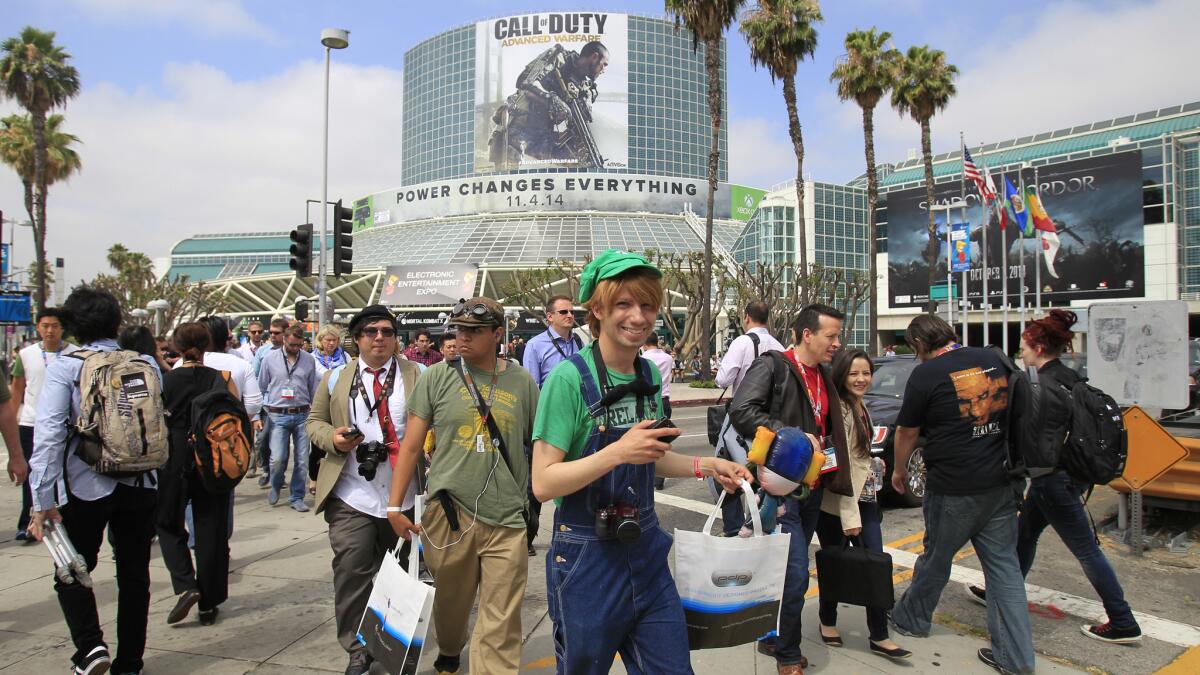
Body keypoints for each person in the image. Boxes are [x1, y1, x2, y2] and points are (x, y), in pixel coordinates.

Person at [531, 251, 751, 674]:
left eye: (647, 305)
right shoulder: (569, 380)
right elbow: (543, 482)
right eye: (623, 305)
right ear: (596, 310)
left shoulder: (648, 375)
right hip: (586, 558)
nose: (638, 316)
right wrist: (616, 451)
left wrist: (707, 465)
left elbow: (652, 457)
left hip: (647, 551)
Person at [967, 310, 1142, 645]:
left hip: (1052, 480)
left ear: (1037, 345)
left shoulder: (1040, 385)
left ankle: (1122, 619)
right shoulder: (1071, 379)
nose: (1022, 353)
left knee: (1086, 550)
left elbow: (1035, 440)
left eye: (1024, 346)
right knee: (1025, 534)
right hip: (1070, 476)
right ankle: (1000, 591)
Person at [387, 297, 540, 675]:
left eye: (474, 331)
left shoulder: (521, 381)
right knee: (452, 605)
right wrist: (395, 507)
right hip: (449, 515)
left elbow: (541, 442)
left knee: (501, 616)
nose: (463, 338)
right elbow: (411, 445)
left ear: (498, 335)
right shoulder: (438, 376)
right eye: (459, 330)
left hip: (507, 516)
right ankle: (451, 648)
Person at [888, 314, 1035, 675]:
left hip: (953, 487)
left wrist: (899, 469)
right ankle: (1017, 660)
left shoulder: (926, 373)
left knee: (936, 557)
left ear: (920, 345)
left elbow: (907, 432)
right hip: (1001, 483)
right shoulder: (993, 358)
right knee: (1005, 571)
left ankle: (911, 620)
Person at [27, 287, 161, 675]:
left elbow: (50, 434)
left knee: (71, 567)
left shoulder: (66, 366)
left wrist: (42, 499)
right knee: (135, 575)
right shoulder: (145, 363)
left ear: (72, 324)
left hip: (86, 484)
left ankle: (90, 648)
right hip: (140, 482)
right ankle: (130, 662)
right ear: (116, 321)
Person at [729, 303, 853, 674]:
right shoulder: (774, 365)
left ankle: (772, 635)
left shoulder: (824, 374)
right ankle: (787, 655)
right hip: (781, 490)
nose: (837, 343)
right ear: (806, 334)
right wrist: (793, 436)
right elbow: (742, 410)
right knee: (796, 574)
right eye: (831, 336)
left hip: (812, 487)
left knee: (782, 571)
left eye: (838, 336)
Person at [307, 305, 423, 675]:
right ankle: (357, 647)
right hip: (351, 494)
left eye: (387, 332)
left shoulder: (417, 374)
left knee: (401, 577)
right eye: (371, 331)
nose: (379, 338)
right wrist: (333, 438)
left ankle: (393, 646)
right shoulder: (334, 377)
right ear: (356, 339)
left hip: (403, 496)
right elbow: (314, 422)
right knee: (352, 569)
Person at [816, 349, 911, 660]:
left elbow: (857, 457)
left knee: (875, 565)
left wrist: (873, 464)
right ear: (842, 375)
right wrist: (848, 514)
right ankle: (827, 622)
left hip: (864, 500)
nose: (861, 379)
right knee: (835, 564)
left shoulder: (859, 405)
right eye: (854, 373)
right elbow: (839, 465)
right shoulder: (840, 410)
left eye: (866, 373)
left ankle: (879, 636)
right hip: (839, 505)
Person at [157, 322, 241, 627]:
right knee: (212, 530)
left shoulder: (166, 380)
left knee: (167, 522)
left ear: (177, 347)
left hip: (174, 454)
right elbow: (237, 415)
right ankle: (208, 603)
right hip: (213, 456)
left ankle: (185, 583)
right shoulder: (221, 379)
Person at [714, 301, 787, 535]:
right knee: (763, 475)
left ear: (746, 317)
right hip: (770, 421)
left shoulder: (742, 342)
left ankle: (734, 528)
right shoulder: (779, 346)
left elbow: (723, 379)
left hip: (742, 418)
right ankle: (759, 525)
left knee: (729, 472)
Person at [488, 41, 610, 171]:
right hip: (521, 127)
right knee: (510, 172)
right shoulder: (559, 57)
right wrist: (552, 100)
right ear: (594, 57)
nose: (603, 70)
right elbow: (526, 81)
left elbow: (578, 124)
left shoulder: (587, 89)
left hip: (546, 137)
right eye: (604, 65)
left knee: (582, 164)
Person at [11, 308, 77, 541]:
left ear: (62, 328)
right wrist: (13, 419)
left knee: (66, 475)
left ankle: (65, 518)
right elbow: (17, 389)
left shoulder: (75, 354)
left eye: (55, 326)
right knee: (33, 474)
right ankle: (28, 522)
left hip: (66, 424)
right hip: (31, 423)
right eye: (45, 325)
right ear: (38, 327)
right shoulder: (26, 354)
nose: (50, 330)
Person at [259, 324, 320, 512]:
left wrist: (315, 414)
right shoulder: (269, 359)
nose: (296, 348)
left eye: (299, 345)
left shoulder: (308, 360)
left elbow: (313, 388)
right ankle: (276, 484)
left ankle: (296, 496)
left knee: (302, 460)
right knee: (278, 459)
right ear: (284, 340)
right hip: (278, 414)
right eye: (292, 344)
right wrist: (262, 412)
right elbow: (261, 386)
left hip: (302, 413)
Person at [523, 295, 581, 387]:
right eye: (564, 312)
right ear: (550, 317)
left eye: (572, 312)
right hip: (552, 400)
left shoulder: (578, 341)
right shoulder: (534, 345)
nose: (570, 315)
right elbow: (532, 388)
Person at [641, 333, 675, 490]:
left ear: (645, 343)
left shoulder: (643, 358)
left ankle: (645, 476)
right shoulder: (668, 358)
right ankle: (659, 480)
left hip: (648, 400)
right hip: (664, 399)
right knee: (661, 440)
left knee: (644, 440)